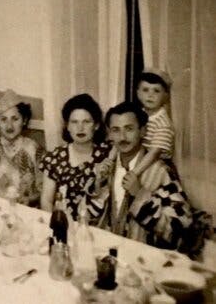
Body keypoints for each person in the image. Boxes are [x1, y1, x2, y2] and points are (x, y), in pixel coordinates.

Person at [95, 102, 192, 249]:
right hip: (107, 254)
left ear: (142, 131)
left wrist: (140, 195)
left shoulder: (161, 171)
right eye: (116, 130)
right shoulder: (106, 167)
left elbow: (181, 229)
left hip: (145, 260)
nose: (122, 137)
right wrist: (98, 184)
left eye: (129, 129)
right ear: (109, 134)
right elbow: (89, 218)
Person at [40, 94, 112, 223]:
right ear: (67, 126)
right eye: (74, 122)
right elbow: (46, 201)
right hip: (64, 225)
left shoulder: (107, 154)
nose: (80, 128)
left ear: (96, 125)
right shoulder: (54, 158)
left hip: (100, 226)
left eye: (86, 122)